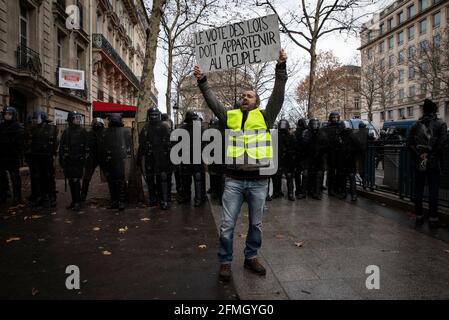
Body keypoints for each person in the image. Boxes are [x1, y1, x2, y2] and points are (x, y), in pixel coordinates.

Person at [193, 48, 287, 282]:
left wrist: (281, 68)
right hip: (233, 181)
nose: (245, 98)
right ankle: (225, 262)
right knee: (226, 224)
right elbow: (213, 102)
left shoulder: (266, 116)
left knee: (256, 224)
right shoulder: (230, 116)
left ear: (256, 102)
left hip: (258, 182)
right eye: (243, 95)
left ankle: (251, 257)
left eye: (250, 96)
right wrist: (202, 81)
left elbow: (279, 94)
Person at [407, 99, 447, 228]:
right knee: (433, 191)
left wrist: (420, 155)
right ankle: (433, 219)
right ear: (435, 110)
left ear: (424, 110)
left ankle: (419, 217)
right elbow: (442, 144)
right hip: (433, 162)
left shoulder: (415, 125)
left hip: (420, 162)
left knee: (418, 189)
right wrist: (431, 155)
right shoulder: (441, 124)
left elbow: (409, 143)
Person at [137, 107, 172, 210]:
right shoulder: (146, 128)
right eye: (151, 115)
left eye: (155, 115)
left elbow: (169, 144)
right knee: (150, 180)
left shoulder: (164, 127)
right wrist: (139, 158)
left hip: (162, 158)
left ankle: (164, 200)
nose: (153, 117)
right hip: (149, 158)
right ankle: (153, 199)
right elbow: (141, 144)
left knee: (162, 179)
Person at [24, 111, 58, 208]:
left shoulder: (51, 128)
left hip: (47, 157)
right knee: (38, 177)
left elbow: (55, 143)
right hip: (36, 157)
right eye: (34, 118)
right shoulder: (33, 129)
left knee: (49, 177)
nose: (34, 119)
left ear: (42, 118)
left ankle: (52, 197)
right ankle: (40, 197)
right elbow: (29, 142)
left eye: (36, 118)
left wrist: (53, 153)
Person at [98, 113, 131, 211]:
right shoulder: (104, 132)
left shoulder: (125, 131)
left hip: (119, 159)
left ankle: (120, 201)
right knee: (112, 182)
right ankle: (115, 201)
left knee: (119, 181)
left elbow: (129, 146)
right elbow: (101, 148)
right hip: (111, 160)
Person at [58, 111, 89, 211]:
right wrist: (62, 159)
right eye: (76, 118)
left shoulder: (83, 131)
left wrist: (84, 159)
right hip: (69, 161)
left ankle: (77, 202)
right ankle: (74, 200)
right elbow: (62, 146)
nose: (78, 119)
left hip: (78, 161)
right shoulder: (66, 132)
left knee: (76, 180)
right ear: (71, 119)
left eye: (79, 118)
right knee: (71, 181)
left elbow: (87, 147)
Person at [0, 107, 24, 204]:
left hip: (13, 156)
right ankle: (4, 194)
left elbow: (21, 143)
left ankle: (17, 196)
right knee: (1, 177)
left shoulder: (18, 127)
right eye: (6, 114)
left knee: (15, 177)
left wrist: (18, 152)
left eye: (10, 114)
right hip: (1, 156)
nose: (7, 115)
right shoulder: (1, 126)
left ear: (13, 115)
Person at [336, 121, 362, 201]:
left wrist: (350, 151)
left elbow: (358, 146)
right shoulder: (339, 135)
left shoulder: (351, 135)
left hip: (349, 158)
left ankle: (353, 194)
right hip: (342, 158)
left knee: (351, 176)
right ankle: (344, 193)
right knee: (343, 176)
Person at [302, 118, 327, 200]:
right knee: (306, 175)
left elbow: (325, 145)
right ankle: (304, 192)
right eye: (313, 124)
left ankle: (317, 193)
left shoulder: (322, 133)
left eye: (316, 124)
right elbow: (303, 145)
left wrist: (320, 151)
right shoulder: (306, 133)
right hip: (308, 157)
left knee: (318, 176)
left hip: (319, 158)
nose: (315, 126)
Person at [81, 117, 105, 201]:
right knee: (87, 177)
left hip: (101, 157)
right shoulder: (89, 134)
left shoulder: (104, 134)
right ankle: (83, 194)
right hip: (91, 158)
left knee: (109, 176)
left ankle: (115, 196)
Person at [272, 119, 295, 201]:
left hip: (288, 159)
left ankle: (290, 193)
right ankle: (276, 192)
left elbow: (294, 148)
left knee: (289, 176)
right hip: (278, 159)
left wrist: (289, 153)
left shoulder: (291, 136)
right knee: (276, 176)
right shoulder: (275, 136)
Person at [207, 117, 225, 203]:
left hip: (214, 156)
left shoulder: (211, 130)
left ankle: (215, 192)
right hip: (223, 156)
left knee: (215, 176)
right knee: (222, 178)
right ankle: (221, 198)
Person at [325, 111, 341, 196]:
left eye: (336, 117)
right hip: (330, 152)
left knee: (339, 172)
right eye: (333, 117)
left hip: (339, 152)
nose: (335, 119)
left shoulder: (341, 126)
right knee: (331, 172)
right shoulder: (327, 128)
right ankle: (330, 189)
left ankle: (337, 188)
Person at [294, 118, 307, 199]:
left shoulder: (297, 133)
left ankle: (300, 190)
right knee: (301, 174)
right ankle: (301, 190)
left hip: (300, 156)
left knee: (298, 174)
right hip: (302, 156)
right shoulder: (306, 132)